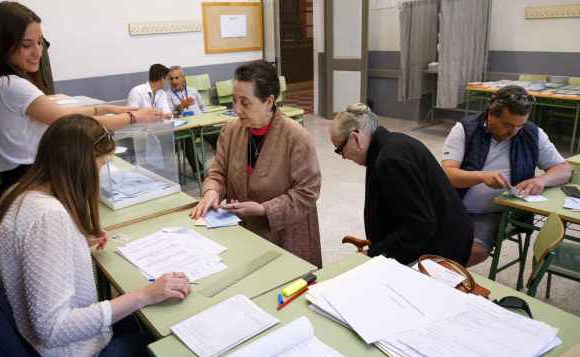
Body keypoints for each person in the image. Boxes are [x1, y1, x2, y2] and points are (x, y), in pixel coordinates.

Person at [0, 114, 191, 357]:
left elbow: (33, 258)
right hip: (72, 352)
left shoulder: (18, 193)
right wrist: (144, 295)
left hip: (41, 342)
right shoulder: (48, 217)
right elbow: (53, 328)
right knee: (167, 338)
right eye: (99, 165)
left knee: (140, 318)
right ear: (81, 165)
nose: (99, 173)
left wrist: (75, 241)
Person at [0, 2, 163, 199]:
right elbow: (73, 125)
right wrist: (135, 117)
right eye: (27, 45)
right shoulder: (13, 85)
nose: (37, 52)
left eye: (40, 42)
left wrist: (104, 108)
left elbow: (63, 115)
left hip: (19, 177)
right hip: (28, 180)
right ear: (3, 44)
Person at [190, 60, 323, 268]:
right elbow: (218, 173)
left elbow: (307, 192)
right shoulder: (232, 131)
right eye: (234, 101)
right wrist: (212, 191)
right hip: (244, 233)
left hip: (284, 237)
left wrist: (264, 209)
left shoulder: (296, 137)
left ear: (269, 102)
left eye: (245, 102)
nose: (236, 109)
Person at [329, 103, 474, 266]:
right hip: (437, 236)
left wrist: (377, 253)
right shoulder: (388, 146)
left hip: (443, 247)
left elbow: (419, 226)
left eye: (339, 149)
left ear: (355, 138)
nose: (343, 157)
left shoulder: (391, 160)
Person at [442, 85, 571, 266]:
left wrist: (541, 180)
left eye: (520, 125)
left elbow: (564, 169)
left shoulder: (532, 134)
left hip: (491, 214)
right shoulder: (465, 129)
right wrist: (481, 177)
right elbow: (448, 174)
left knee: (474, 250)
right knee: (420, 234)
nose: (513, 132)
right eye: (508, 125)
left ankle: (439, 276)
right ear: (491, 114)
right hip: (454, 205)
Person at [166, 65, 216, 175]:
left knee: (217, 134)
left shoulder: (193, 91)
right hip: (184, 127)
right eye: (171, 78)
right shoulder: (167, 96)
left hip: (200, 124)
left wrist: (204, 118)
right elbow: (169, 115)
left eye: (177, 78)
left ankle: (221, 165)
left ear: (183, 78)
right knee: (188, 142)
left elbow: (203, 107)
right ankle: (199, 172)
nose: (174, 81)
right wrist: (180, 107)